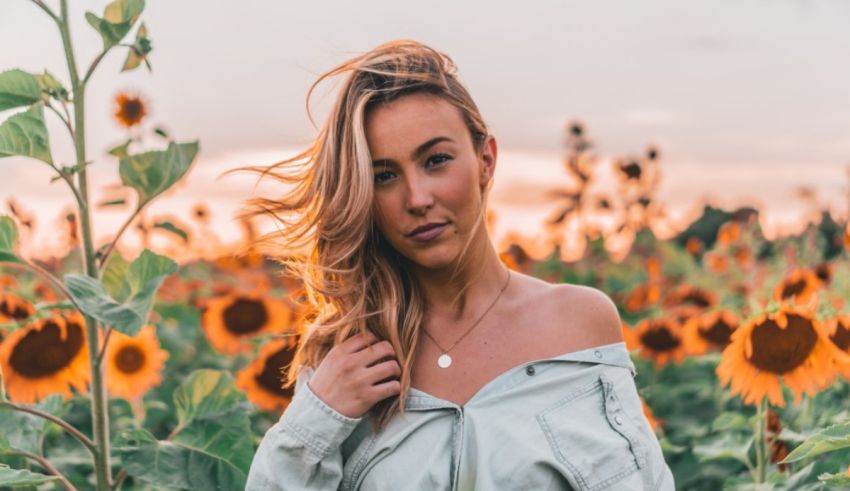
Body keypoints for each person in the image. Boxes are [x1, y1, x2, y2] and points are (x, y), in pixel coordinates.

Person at [243, 39, 675, 490]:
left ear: (485, 160)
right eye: (384, 175)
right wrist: (319, 417)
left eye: (437, 161)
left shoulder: (580, 322)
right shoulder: (346, 356)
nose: (417, 198)